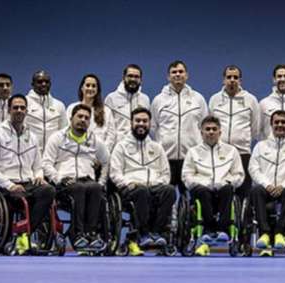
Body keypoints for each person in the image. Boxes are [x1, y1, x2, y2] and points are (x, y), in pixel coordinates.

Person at [0, 94, 56, 255]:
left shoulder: (32, 137)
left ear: (27, 111)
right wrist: (9, 185)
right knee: (11, 201)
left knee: (49, 191)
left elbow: (38, 165)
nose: (19, 110)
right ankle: (8, 240)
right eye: (15, 107)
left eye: (22, 108)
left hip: (27, 183)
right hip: (4, 185)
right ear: (9, 110)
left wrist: (39, 175)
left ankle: (24, 235)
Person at [109, 107, 175, 256]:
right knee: (141, 191)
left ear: (150, 124)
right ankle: (143, 234)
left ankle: (157, 234)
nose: (141, 124)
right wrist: (127, 183)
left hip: (153, 187)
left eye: (144, 121)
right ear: (131, 123)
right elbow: (115, 172)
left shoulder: (157, 147)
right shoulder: (121, 146)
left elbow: (165, 174)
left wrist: (157, 183)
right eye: (138, 120)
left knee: (169, 190)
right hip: (130, 189)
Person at [43, 104, 109, 251]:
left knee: (96, 187)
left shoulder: (94, 140)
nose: (83, 120)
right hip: (65, 183)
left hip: (88, 181)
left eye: (86, 118)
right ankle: (77, 234)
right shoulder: (57, 138)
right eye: (79, 116)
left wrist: (102, 181)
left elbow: (106, 162)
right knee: (79, 188)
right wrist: (58, 178)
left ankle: (91, 234)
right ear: (71, 118)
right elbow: (46, 163)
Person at [182, 116, 245, 256]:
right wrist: (202, 184)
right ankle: (209, 230)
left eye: (214, 129)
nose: (211, 132)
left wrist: (227, 182)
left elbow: (239, 174)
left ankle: (223, 231)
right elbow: (186, 175)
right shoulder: (193, 152)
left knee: (228, 189)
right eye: (207, 129)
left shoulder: (231, 151)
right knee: (202, 191)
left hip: (223, 190)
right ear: (201, 132)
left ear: (220, 132)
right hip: (202, 191)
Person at [249, 110, 285, 256]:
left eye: (283, 122)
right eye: (276, 122)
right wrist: (267, 184)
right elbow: (253, 168)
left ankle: (280, 233)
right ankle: (265, 235)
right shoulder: (260, 146)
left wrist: (283, 185)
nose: (280, 125)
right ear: (271, 124)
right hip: (266, 190)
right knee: (255, 190)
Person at [151, 60, 208, 193]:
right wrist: (164, 142)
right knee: (165, 197)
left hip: (191, 157)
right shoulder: (158, 100)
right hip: (165, 157)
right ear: (168, 76)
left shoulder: (198, 99)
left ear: (186, 75)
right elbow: (153, 127)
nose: (177, 74)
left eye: (181, 72)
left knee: (193, 198)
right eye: (174, 72)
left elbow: (204, 125)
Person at [208, 65, 259, 199]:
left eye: (235, 77)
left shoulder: (251, 100)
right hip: (220, 154)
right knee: (221, 191)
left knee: (244, 193)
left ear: (240, 81)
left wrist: (242, 139)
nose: (232, 80)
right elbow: (210, 125)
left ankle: (244, 219)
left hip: (243, 153)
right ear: (223, 80)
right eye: (229, 77)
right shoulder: (214, 100)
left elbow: (255, 128)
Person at [66, 74, 116, 152]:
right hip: (76, 154)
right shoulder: (72, 108)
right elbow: (67, 131)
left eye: (93, 86)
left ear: (97, 90)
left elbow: (111, 136)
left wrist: (102, 155)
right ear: (82, 88)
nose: (90, 88)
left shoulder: (106, 111)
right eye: (88, 85)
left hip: (99, 157)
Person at [25, 70, 67, 154]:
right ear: (32, 84)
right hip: (29, 153)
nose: (44, 84)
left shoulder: (59, 105)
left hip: (52, 154)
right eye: (40, 82)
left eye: (46, 82)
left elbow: (64, 132)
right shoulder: (24, 103)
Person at [104, 64, 150, 135]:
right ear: (123, 78)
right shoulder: (111, 98)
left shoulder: (145, 99)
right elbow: (106, 127)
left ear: (141, 80)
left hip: (139, 144)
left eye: (136, 77)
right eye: (130, 76)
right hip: (117, 145)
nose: (133, 79)